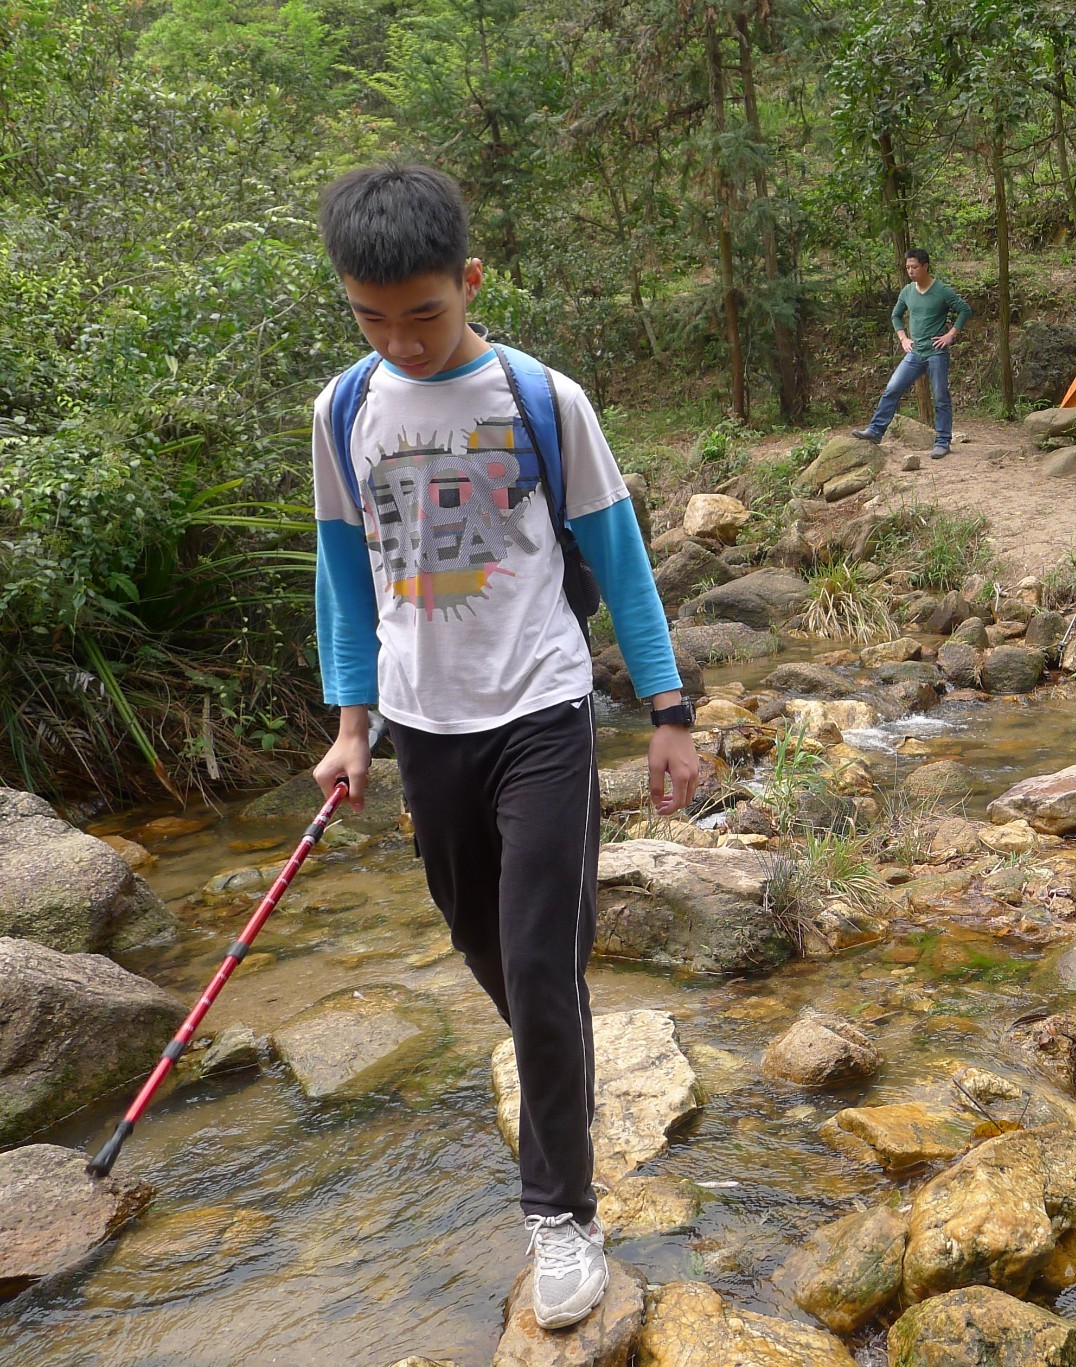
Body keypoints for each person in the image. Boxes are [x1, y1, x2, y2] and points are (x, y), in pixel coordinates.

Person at [309, 165, 700, 1331]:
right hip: (425, 728)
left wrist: (669, 712)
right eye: (373, 318)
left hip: (540, 711)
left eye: (424, 312)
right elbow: (342, 571)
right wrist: (349, 724)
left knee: (539, 964)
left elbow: (619, 559)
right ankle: (556, 1066)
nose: (403, 341)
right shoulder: (342, 410)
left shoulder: (540, 397)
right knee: (493, 957)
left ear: (470, 281)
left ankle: (561, 1211)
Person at [848, 248, 972, 460]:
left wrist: (951, 334)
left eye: (914, 267)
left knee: (940, 396)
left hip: (936, 353)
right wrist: (903, 338)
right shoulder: (907, 291)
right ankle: (875, 431)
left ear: (925, 266)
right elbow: (896, 315)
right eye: (907, 267)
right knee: (892, 388)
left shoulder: (941, 291)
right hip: (914, 353)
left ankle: (943, 442)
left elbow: (965, 310)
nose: (911, 271)